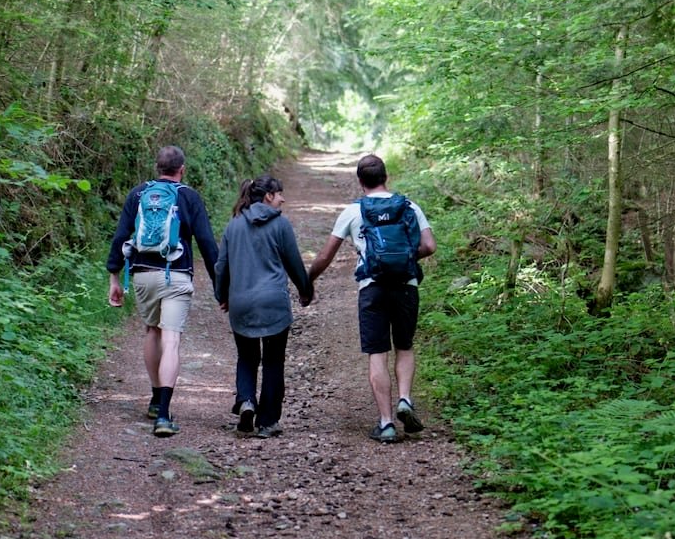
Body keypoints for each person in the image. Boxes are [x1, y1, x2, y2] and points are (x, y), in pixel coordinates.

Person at [308, 154, 437, 443]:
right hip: (406, 285)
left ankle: (386, 422)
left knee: (377, 352)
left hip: (372, 287)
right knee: (404, 346)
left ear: (360, 181)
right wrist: (405, 256)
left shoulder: (353, 212)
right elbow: (429, 246)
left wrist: (309, 281)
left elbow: (326, 255)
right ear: (386, 177)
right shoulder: (409, 206)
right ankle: (405, 399)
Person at [107, 146, 219, 437]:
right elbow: (206, 242)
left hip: (143, 275)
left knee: (152, 332)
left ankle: (156, 399)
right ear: (182, 168)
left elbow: (121, 236)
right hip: (176, 274)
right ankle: (165, 416)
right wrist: (222, 285)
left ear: (157, 168)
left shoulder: (138, 194)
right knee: (171, 340)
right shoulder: (189, 196)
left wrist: (114, 277)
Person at [215, 176, 313, 439]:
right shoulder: (280, 224)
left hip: (241, 303)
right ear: (268, 196)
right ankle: (267, 421)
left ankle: (246, 400)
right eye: (279, 194)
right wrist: (305, 290)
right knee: (273, 361)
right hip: (274, 304)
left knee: (246, 357)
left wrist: (221, 295)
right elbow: (294, 262)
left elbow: (221, 266)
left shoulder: (233, 226)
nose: (283, 199)